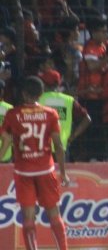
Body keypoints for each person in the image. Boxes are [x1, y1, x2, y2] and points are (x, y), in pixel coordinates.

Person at [0, 76, 69, 250]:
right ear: (41, 94)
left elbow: (6, 141)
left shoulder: (13, 114)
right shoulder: (50, 114)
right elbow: (58, 146)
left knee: (28, 217)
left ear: (23, 94)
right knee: (54, 213)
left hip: (24, 171)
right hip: (46, 169)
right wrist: (63, 172)